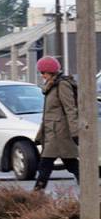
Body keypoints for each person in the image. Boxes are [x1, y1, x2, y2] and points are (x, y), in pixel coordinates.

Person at [33, 56, 80, 190]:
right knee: (71, 164)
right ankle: (92, 188)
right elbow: (47, 115)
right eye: (40, 72)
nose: (42, 75)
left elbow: (70, 109)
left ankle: (36, 195)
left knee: (45, 165)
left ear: (51, 71)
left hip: (60, 134)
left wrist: (75, 133)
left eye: (43, 72)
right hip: (52, 133)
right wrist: (39, 136)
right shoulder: (51, 87)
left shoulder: (62, 85)